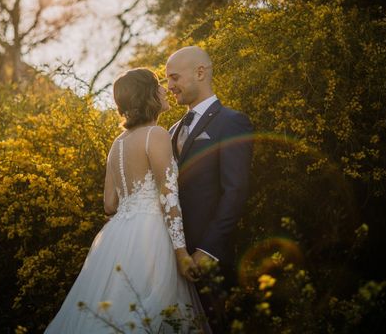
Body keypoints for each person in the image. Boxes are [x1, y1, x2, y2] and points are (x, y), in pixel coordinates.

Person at [44, 68, 209, 333]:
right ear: (148, 95)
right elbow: (168, 196)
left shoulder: (117, 144)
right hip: (151, 236)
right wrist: (180, 252)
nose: (164, 89)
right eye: (158, 85)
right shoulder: (155, 134)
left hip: (116, 236)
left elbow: (109, 204)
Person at [166, 46, 253, 333]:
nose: (169, 87)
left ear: (200, 72)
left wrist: (208, 250)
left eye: (175, 77)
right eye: (167, 80)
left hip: (211, 258)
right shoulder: (171, 131)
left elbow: (236, 190)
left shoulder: (231, 122)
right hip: (173, 259)